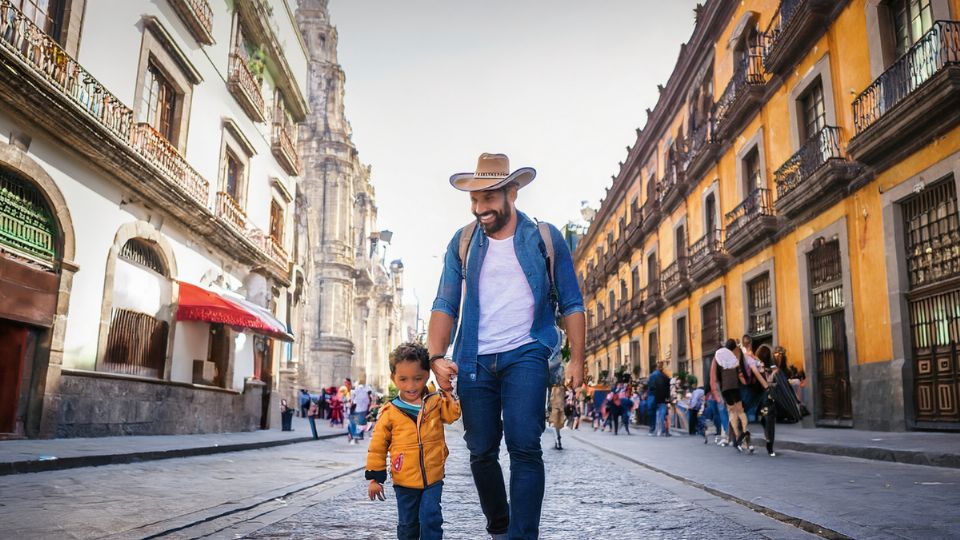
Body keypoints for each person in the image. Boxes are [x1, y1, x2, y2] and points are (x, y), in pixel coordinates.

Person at [427, 153, 586, 540]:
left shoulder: (545, 237)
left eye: (488, 198)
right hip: (473, 359)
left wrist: (577, 360)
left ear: (512, 192)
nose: (479, 207)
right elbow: (445, 302)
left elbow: (572, 302)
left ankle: (522, 535)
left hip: (528, 351)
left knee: (524, 445)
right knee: (481, 450)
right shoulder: (463, 241)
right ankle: (500, 527)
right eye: (474, 199)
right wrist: (435, 356)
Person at [366, 342, 461, 540]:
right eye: (403, 379)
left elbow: (452, 415)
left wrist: (447, 390)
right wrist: (375, 479)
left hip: (433, 477)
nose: (411, 386)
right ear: (393, 378)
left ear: (427, 374)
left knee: (431, 518)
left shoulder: (435, 401)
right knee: (408, 524)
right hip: (404, 480)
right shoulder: (390, 412)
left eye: (417, 379)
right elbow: (377, 447)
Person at [711, 339, 753, 453]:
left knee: (732, 413)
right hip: (735, 388)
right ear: (734, 348)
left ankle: (737, 438)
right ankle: (744, 436)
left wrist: (720, 392)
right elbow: (741, 375)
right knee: (741, 412)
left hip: (725, 390)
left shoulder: (719, 359)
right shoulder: (735, 359)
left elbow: (718, 378)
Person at [755, 344, 778, 456]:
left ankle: (768, 437)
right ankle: (770, 444)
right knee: (770, 421)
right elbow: (770, 381)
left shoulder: (758, 366)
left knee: (765, 419)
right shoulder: (769, 367)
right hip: (768, 398)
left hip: (760, 399)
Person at [648, 362, 670, 437]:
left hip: (654, 396)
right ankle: (662, 430)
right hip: (662, 398)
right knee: (662, 413)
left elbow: (650, 386)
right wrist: (667, 397)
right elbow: (668, 389)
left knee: (654, 413)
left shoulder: (652, 375)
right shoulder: (665, 377)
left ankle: (653, 429)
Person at [548, 383, 566, 449]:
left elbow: (551, 398)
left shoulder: (554, 388)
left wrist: (549, 405)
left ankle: (558, 441)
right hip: (561, 408)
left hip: (555, 408)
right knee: (557, 425)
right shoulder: (562, 388)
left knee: (554, 425)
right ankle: (558, 441)